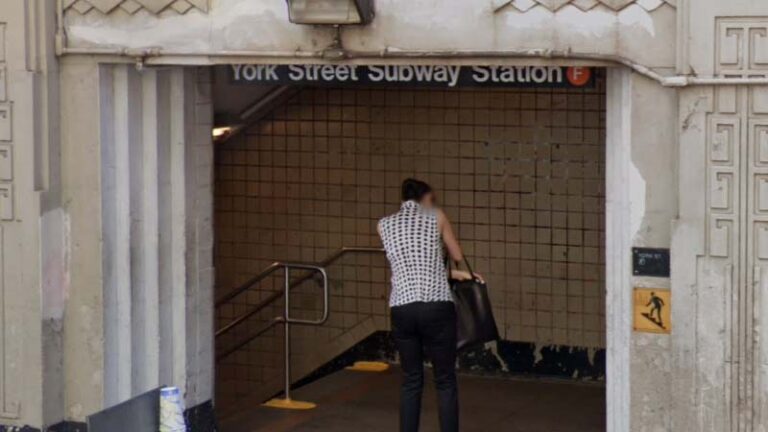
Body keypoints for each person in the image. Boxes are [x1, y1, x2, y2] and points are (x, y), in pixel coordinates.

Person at [378, 178, 482, 432]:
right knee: (445, 380)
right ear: (425, 198)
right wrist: (460, 272)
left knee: (411, 380)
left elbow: (410, 266)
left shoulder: (383, 224)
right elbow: (456, 256)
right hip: (436, 306)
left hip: (402, 307)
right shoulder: (436, 216)